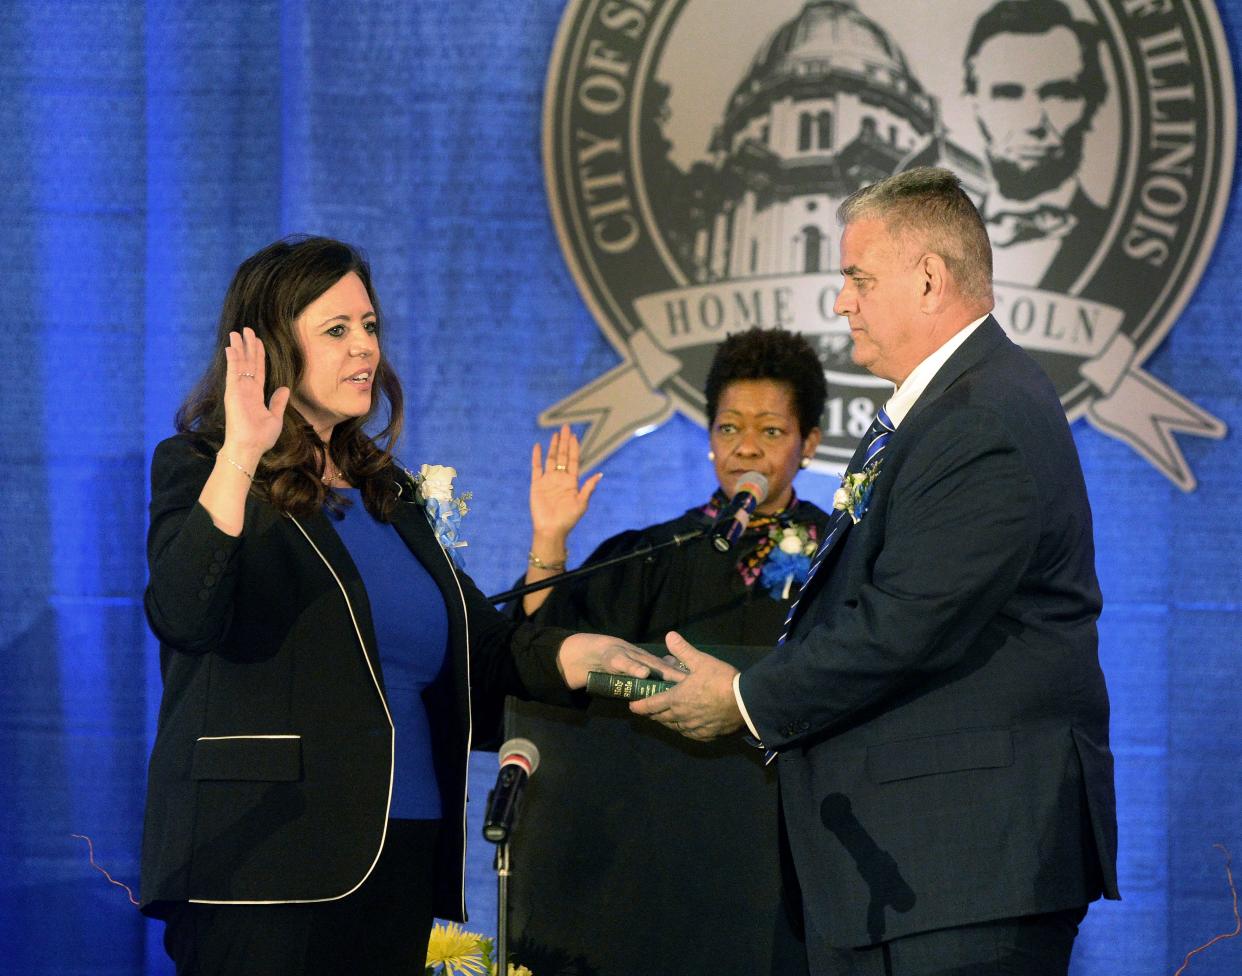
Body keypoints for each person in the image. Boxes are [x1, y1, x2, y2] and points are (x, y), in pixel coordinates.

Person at [633, 168, 1119, 975]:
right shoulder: (945, 408)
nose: (841, 301)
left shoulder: (981, 419)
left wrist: (744, 700)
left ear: (929, 278)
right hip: (918, 872)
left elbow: (904, 627)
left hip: (962, 870)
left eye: (858, 278)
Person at [138, 235, 661, 976]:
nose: (365, 351)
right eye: (337, 331)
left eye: (371, 328)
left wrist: (587, 656)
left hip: (402, 851)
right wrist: (240, 455)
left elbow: (490, 648)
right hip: (264, 860)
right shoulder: (203, 467)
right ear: (274, 347)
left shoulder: (392, 497)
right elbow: (184, 614)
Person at [505, 328, 832, 976]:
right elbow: (545, 652)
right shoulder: (658, 554)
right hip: (662, 856)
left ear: (809, 443)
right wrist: (550, 542)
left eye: (770, 432)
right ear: (708, 437)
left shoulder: (839, 558)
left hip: (796, 856)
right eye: (729, 427)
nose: (745, 447)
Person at [964, 0, 1110, 289]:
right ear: (975, 104)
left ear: (1091, 105)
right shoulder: (937, 245)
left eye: (1058, 94)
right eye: (1007, 94)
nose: (1032, 123)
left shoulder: (1117, 243)